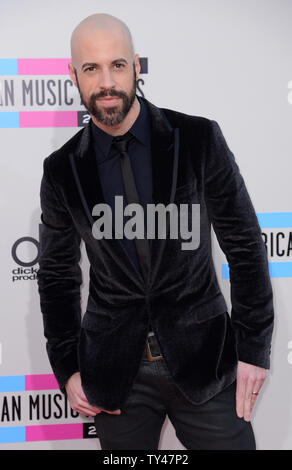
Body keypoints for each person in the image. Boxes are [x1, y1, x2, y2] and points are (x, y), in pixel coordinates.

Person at [37, 13, 274, 450]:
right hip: (115, 377)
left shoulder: (199, 139)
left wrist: (254, 350)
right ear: (73, 75)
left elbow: (244, 245)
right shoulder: (62, 171)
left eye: (118, 65)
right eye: (91, 68)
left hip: (205, 362)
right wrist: (67, 367)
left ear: (136, 67)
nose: (106, 81)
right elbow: (55, 276)